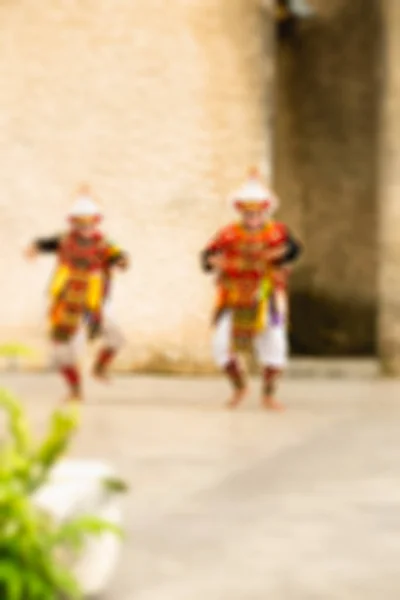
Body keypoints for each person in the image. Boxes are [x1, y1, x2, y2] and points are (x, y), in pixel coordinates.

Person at [200, 169, 302, 410]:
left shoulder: (278, 232)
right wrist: (213, 261)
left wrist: (280, 256)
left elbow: (295, 250)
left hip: (266, 295)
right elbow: (206, 256)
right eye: (248, 212)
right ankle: (239, 387)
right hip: (234, 296)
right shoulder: (228, 233)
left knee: (274, 344)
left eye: (257, 212)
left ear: (264, 211)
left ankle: (268, 394)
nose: (252, 216)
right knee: (220, 345)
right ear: (241, 211)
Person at [25, 184, 129, 402]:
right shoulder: (63, 240)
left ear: (96, 222)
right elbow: (41, 244)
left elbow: (120, 256)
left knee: (116, 338)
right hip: (65, 300)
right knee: (61, 349)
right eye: (81, 224)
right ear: (74, 224)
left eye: (90, 223)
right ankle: (75, 390)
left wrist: (121, 262)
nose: (86, 229)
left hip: (93, 302)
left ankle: (99, 368)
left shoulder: (105, 243)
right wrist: (33, 249)